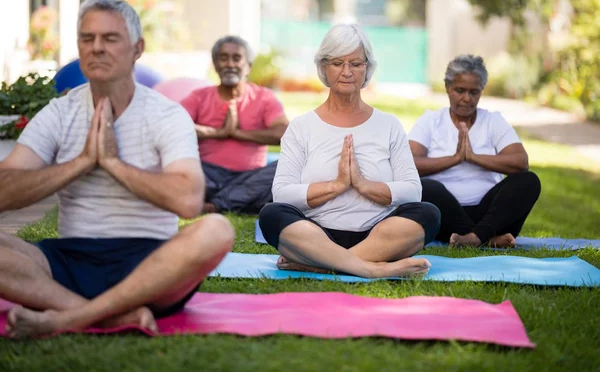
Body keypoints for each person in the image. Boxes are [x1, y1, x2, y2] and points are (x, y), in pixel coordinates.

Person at [0, 0, 234, 338]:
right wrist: (80, 164)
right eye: (87, 38)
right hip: (69, 261)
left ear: (137, 48)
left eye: (110, 39)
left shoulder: (166, 115)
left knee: (217, 230)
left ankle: (67, 318)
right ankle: (108, 316)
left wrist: (113, 163)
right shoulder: (59, 112)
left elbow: (188, 200)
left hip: (151, 266)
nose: (97, 48)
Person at [258, 24, 440, 279]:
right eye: (337, 63)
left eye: (356, 64)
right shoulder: (301, 127)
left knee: (428, 213)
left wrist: (364, 185)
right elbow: (282, 193)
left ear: (367, 68)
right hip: (316, 233)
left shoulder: (388, 125)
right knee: (271, 214)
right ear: (324, 67)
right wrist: (337, 185)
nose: (347, 72)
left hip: (378, 233)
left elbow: (412, 189)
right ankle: (371, 268)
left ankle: (321, 265)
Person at [408, 55, 541, 248]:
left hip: (492, 215)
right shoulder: (430, 121)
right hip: (445, 213)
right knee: (425, 187)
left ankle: (475, 237)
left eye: (474, 92)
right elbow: (409, 164)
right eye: (459, 90)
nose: (466, 98)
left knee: (528, 180)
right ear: (447, 87)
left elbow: (521, 162)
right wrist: (455, 159)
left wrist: (473, 157)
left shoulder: (493, 121)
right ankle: (487, 239)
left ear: (481, 91)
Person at [181, 36, 289, 214]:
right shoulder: (198, 97)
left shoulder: (264, 97)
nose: (230, 64)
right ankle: (240, 200)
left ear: (248, 66)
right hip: (208, 175)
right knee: (178, 164)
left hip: (251, 177)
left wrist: (238, 133)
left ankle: (215, 204)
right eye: (223, 58)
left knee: (286, 167)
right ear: (215, 64)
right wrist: (217, 133)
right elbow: (174, 127)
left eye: (237, 58)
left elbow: (284, 133)